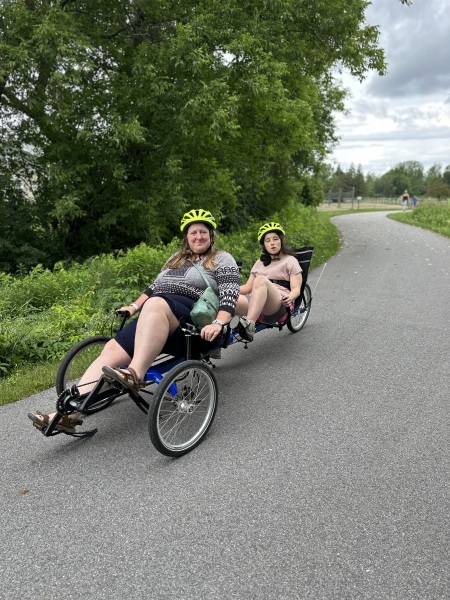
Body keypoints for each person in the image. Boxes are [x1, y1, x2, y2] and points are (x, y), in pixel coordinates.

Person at [28, 209, 240, 433]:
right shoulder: (175, 259)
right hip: (157, 312)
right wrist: (134, 306)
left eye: (203, 232)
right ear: (186, 237)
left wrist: (218, 323)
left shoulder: (221, 259)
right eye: (193, 232)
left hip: (192, 324)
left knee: (156, 304)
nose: (198, 236)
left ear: (211, 235)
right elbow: (154, 288)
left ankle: (134, 374)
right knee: (111, 350)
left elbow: (230, 294)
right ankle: (67, 416)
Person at [237, 222, 302, 342]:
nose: (272, 243)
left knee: (260, 280)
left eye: (275, 239)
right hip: (255, 304)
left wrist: (290, 297)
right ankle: (216, 335)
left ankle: (249, 325)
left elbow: (296, 288)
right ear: (264, 245)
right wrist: (226, 290)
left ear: (281, 241)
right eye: (268, 240)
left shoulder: (290, 261)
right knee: (230, 298)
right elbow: (247, 288)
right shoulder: (259, 262)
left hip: (278, 304)